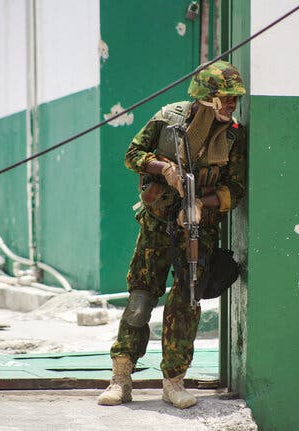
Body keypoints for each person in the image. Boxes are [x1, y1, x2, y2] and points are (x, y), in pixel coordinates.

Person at [98, 60, 247, 409]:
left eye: (233, 99)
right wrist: (163, 167)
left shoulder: (233, 136)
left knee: (185, 305)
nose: (231, 105)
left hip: (196, 232)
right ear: (206, 98)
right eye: (225, 98)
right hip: (154, 226)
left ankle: (173, 382)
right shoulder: (169, 120)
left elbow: (235, 189)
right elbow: (132, 154)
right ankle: (121, 378)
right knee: (139, 303)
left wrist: (201, 204)